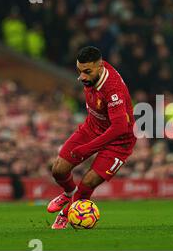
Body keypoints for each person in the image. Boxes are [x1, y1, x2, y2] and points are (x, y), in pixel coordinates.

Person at [47, 46, 136, 229]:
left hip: (120, 140)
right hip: (93, 126)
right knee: (58, 170)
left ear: (101, 66)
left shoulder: (113, 89)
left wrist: (88, 148)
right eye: (79, 71)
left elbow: (120, 127)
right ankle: (69, 192)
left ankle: (67, 213)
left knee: (87, 183)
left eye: (87, 72)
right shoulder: (94, 71)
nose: (82, 77)